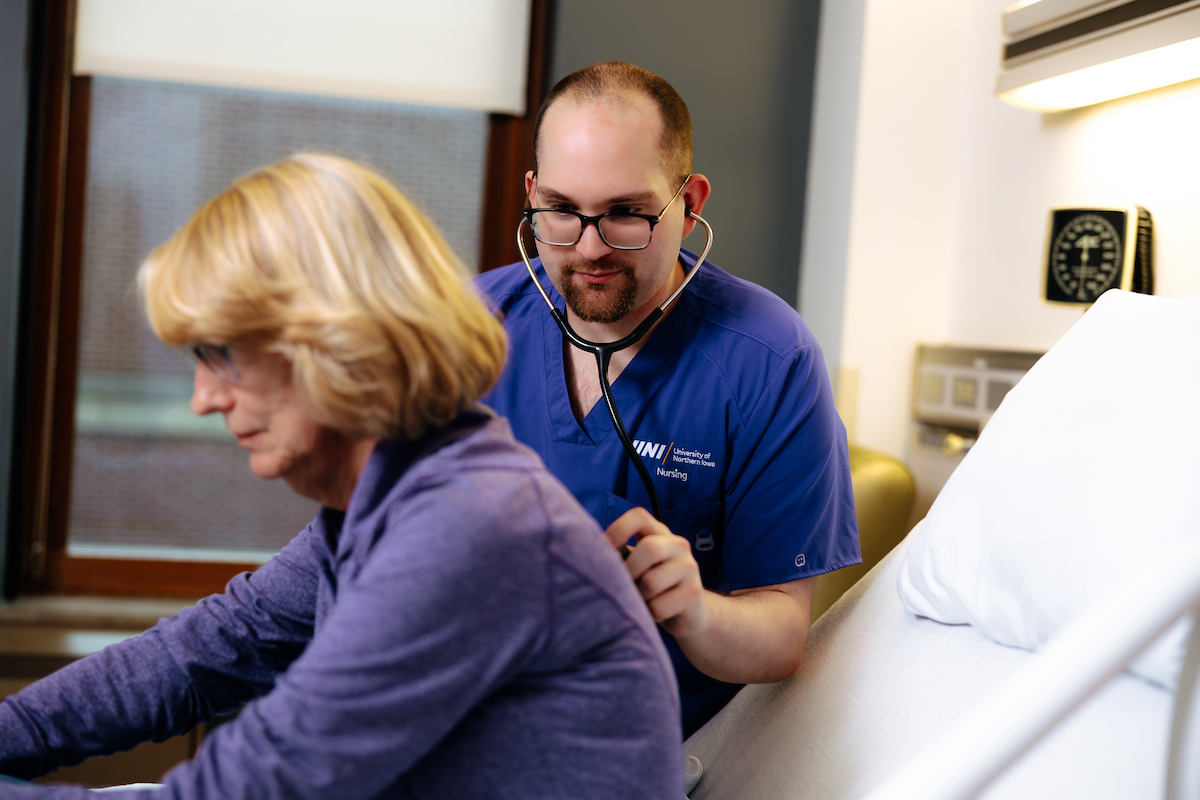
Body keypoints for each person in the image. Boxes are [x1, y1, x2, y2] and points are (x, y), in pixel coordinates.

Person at [0, 154, 683, 798]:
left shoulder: (472, 527)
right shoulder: (390, 501)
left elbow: (252, 786)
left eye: (222, 354)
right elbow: (201, 655)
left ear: (332, 339)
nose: (202, 399)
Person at [477, 62, 861, 738]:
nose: (590, 247)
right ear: (532, 193)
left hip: (647, 750)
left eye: (627, 213)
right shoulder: (471, 326)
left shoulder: (769, 361)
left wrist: (692, 608)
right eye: (562, 211)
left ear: (691, 204)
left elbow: (779, 636)